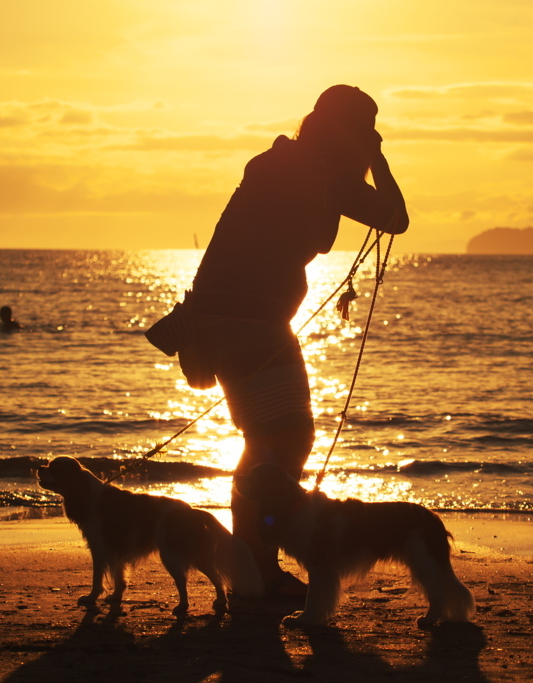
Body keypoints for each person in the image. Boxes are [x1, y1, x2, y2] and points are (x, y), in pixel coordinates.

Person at [185, 85, 409, 599]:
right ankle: (258, 568)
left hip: (223, 311)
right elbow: (395, 218)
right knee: (283, 436)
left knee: (268, 437)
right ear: (351, 132)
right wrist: (377, 158)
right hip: (250, 316)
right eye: (365, 129)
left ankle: (251, 563)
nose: (369, 139)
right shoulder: (321, 169)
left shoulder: (282, 158)